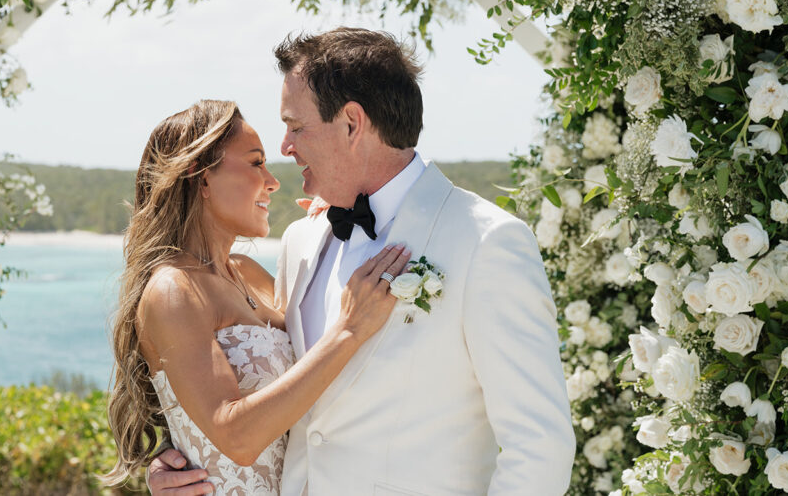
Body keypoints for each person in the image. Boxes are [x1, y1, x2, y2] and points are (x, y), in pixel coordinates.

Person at [148, 29, 576, 495]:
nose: (286, 147)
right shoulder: (302, 241)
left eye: (296, 126)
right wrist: (186, 463)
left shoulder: (486, 242)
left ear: (351, 123)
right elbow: (275, 401)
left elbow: (538, 445)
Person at [102, 99, 412, 495]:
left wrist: (329, 220)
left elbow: (306, 347)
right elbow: (236, 437)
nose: (272, 180)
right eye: (255, 163)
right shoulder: (173, 289)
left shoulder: (246, 274)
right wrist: (350, 329)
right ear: (201, 177)